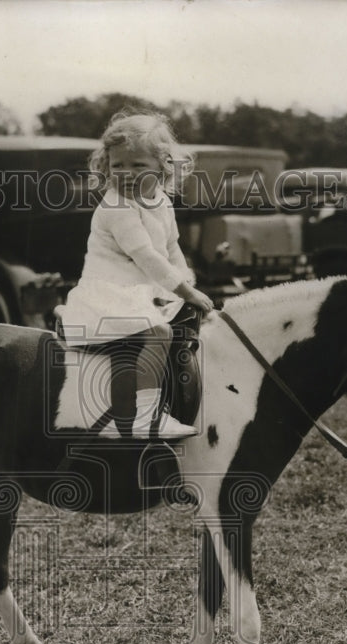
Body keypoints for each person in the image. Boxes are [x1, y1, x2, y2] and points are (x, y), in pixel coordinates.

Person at [56, 112, 214, 439]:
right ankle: (144, 414)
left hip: (144, 290)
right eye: (118, 166)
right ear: (106, 167)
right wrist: (187, 292)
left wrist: (186, 282)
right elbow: (146, 256)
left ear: (163, 167)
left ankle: (189, 398)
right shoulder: (116, 207)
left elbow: (171, 249)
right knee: (158, 332)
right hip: (110, 292)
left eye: (138, 166)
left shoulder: (162, 203)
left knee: (196, 326)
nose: (126, 174)